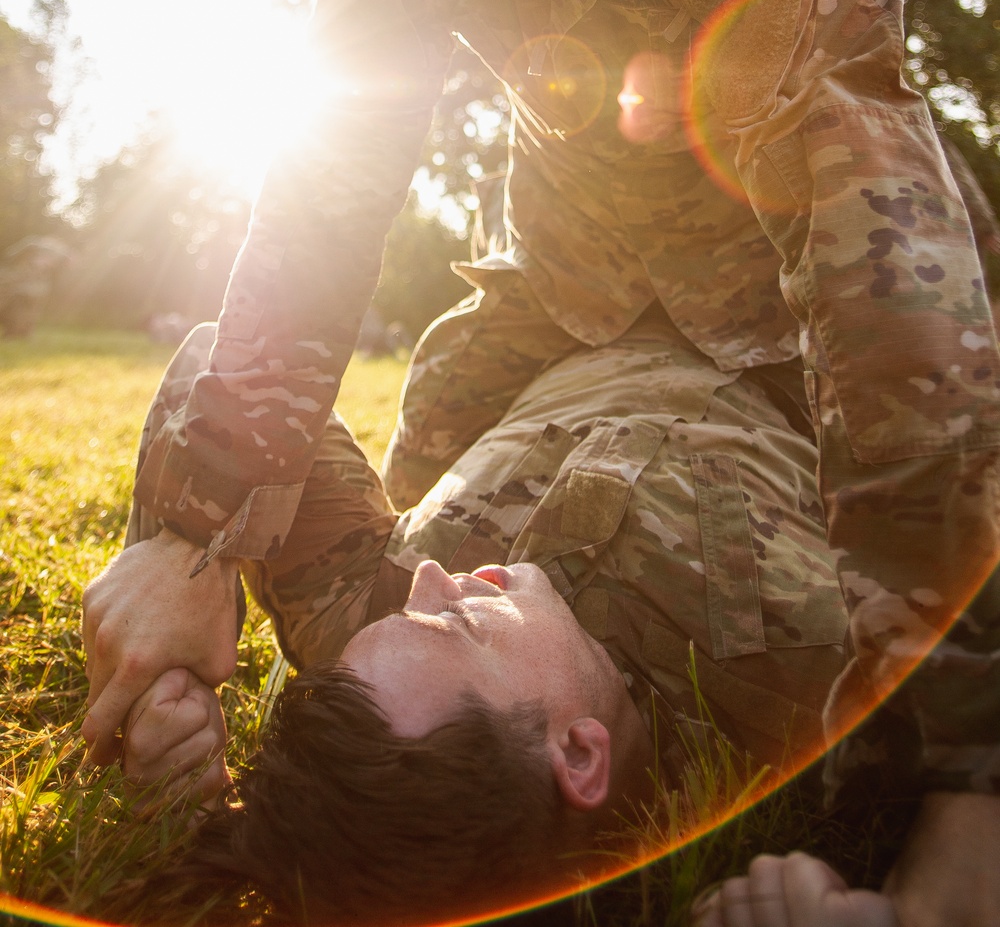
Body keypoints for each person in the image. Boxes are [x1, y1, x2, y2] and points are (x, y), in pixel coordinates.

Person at [82, 0, 1000, 924]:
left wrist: (968, 786)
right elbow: (326, 180)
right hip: (561, 310)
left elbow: (867, 215)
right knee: (418, 475)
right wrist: (189, 533)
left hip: (783, 308)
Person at [110, 306, 852, 924]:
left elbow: (219, 351)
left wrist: (183, 569)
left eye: (405, 608)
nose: (429, 578)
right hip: (792, 325)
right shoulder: (813, 687)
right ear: (579, 754)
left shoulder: (360, 615)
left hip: (559, 309)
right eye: (457, 621)